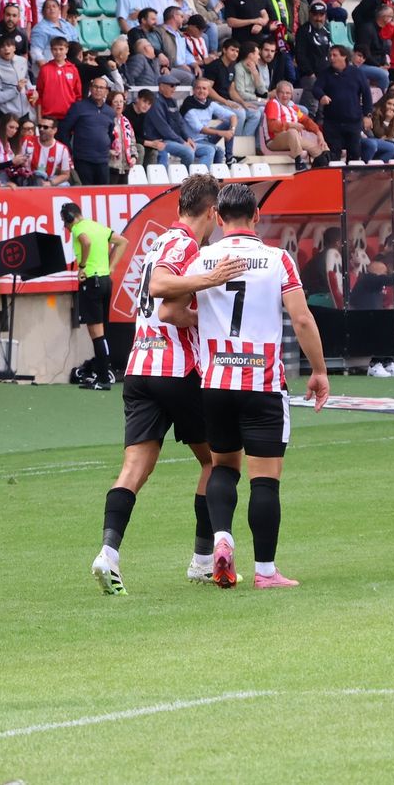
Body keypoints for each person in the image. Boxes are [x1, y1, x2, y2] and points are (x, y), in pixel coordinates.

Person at [169, 182, 329, 589]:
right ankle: (265, 572)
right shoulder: (277, 259)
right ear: (256, 216)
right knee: (265, 478)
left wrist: (206, 320)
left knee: (223, 466)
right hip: (262, 383)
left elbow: (171, 311)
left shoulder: (202, 258)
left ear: (218, 217)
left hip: (215, 383)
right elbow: (302, 318)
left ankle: (222, 537)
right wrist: (319, 370)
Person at [92, 175, 246, 595]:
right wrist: (210, 287)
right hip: (176, 370)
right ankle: (202, 561)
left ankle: (108, 554)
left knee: (134, 468)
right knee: (219, 463)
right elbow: (164, 299)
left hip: (139, 368)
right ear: (213, 212)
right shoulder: (183, 245)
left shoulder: (159, 242)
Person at [61, 202, 128, 391]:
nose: (65, 227)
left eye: (65, 222)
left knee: (96, 333)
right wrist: (111, 267)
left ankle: (103, 378)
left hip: (92, 282)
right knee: (101, 332)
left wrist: (82, 266)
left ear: (70, 218)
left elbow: (86, 242)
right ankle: (102, 374)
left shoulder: (78, 228)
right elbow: (123, 241)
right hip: (105, 281)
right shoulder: (97, 226)